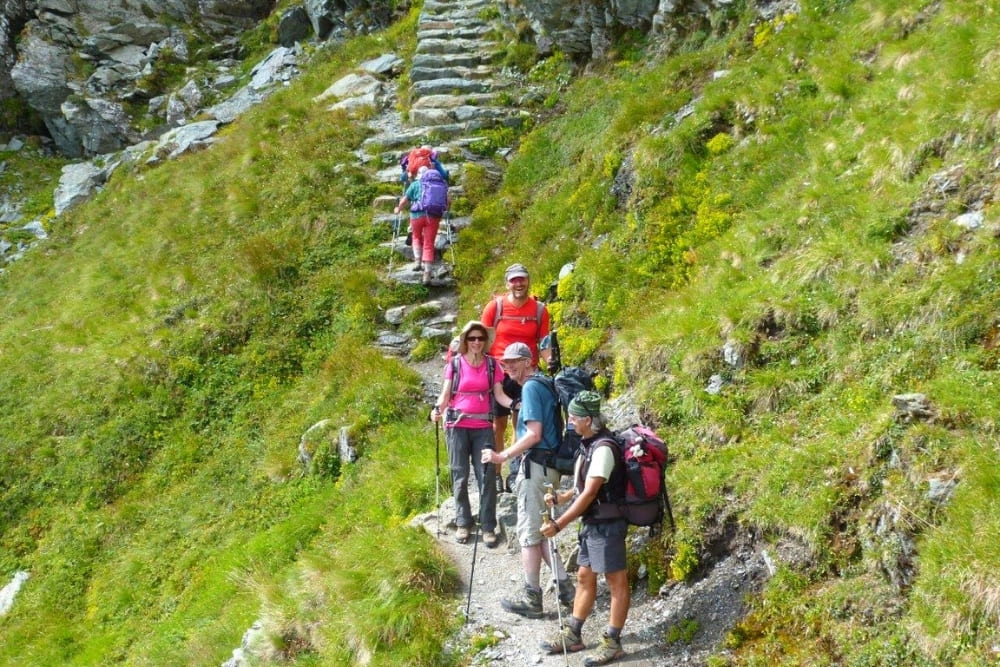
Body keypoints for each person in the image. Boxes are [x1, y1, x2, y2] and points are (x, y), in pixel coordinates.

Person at [481, 342, 574, 618]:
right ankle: (566, 588)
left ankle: (532, 598)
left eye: (513, 361)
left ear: (527, 361)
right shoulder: (543, 384)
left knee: (528, 536)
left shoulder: (532, 387)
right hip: (547, 467)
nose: (507, 366)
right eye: (505, 362)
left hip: (536, 467)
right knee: (540, 532)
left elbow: (534, 433)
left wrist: (502, 456)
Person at [538, 390, 629, 666]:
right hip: (593, 524)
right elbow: (581, 488)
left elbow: (590, 494)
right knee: (584, 577)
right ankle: (574, 634)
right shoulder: (587, 445)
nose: (570, 421)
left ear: (589, 420)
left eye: (574, 417)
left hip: (607, 523)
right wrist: (562, 497)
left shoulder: (603, 449)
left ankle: (613, 642)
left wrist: (559, 523)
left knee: (616, 582)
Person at [432, 321, 511, 548]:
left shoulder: (492, 365)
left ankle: (488, 526)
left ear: (485, 341)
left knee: (486, 475)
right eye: (472, 338)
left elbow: (499, 395)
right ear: (465, 341)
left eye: (480, 338)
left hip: (483, 427)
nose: (476, 342)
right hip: (456, 427)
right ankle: (463, 522)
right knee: (460, 475)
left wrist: (516, 404)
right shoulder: (455, 364)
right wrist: (437, 410)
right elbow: (445, 395)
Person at [481, 263, 551, 489]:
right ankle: (496, 475)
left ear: (528, 281)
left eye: (522, 279)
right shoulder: (495, 307)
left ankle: (516, 472)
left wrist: (550, 361)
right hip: (499, 372)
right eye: (514, 280)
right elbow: (481, 340)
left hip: (526, 374)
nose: (518, 284)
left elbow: (544, 343)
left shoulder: (539, 310)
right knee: (497, 425)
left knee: (521, 422)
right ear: (507, 283)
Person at [394, 166, 449, 285]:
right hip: (433, 216)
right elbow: (447, 203)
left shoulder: (415, 184)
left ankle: (418, 261)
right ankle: (427, 274)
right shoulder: (441, 185)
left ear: (420, 175)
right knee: (429, 244)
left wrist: (398, 209)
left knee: (416, 237)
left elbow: (404, 200)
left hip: (416, 215)